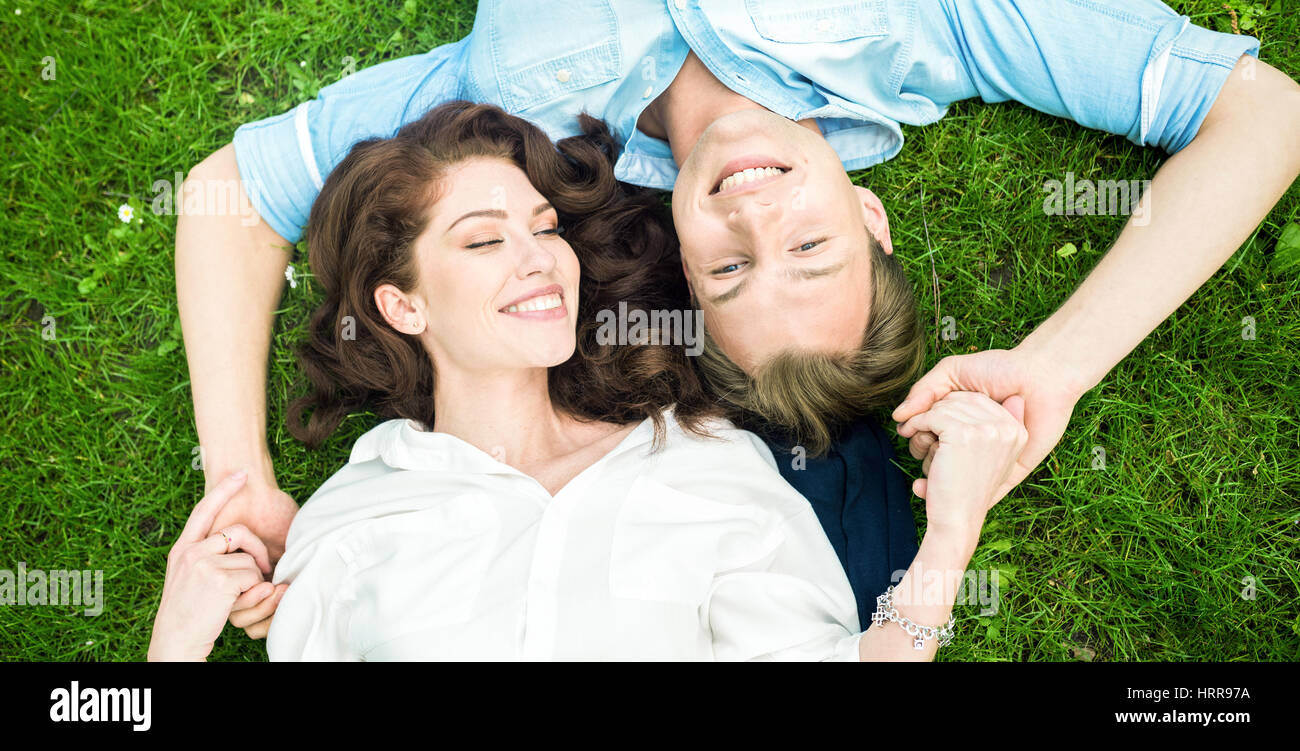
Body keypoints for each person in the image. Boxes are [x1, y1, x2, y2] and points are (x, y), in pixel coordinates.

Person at [174, 0, 1300, 635]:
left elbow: (230, 195)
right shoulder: (940, 28)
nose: (754, 213)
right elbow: (1264, 116)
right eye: (812, 248)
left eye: (729, 274)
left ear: (679, 267)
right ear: (870, 214)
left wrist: (240, 473)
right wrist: (1054, 366)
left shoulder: (505, 128)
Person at [148, 102, 1028, 661]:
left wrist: (951, 534)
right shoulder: (344, 525)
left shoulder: (712, 473)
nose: (539, 263)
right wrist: (174, 645)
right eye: (485, 240)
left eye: (544, 229)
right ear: (402, 304)